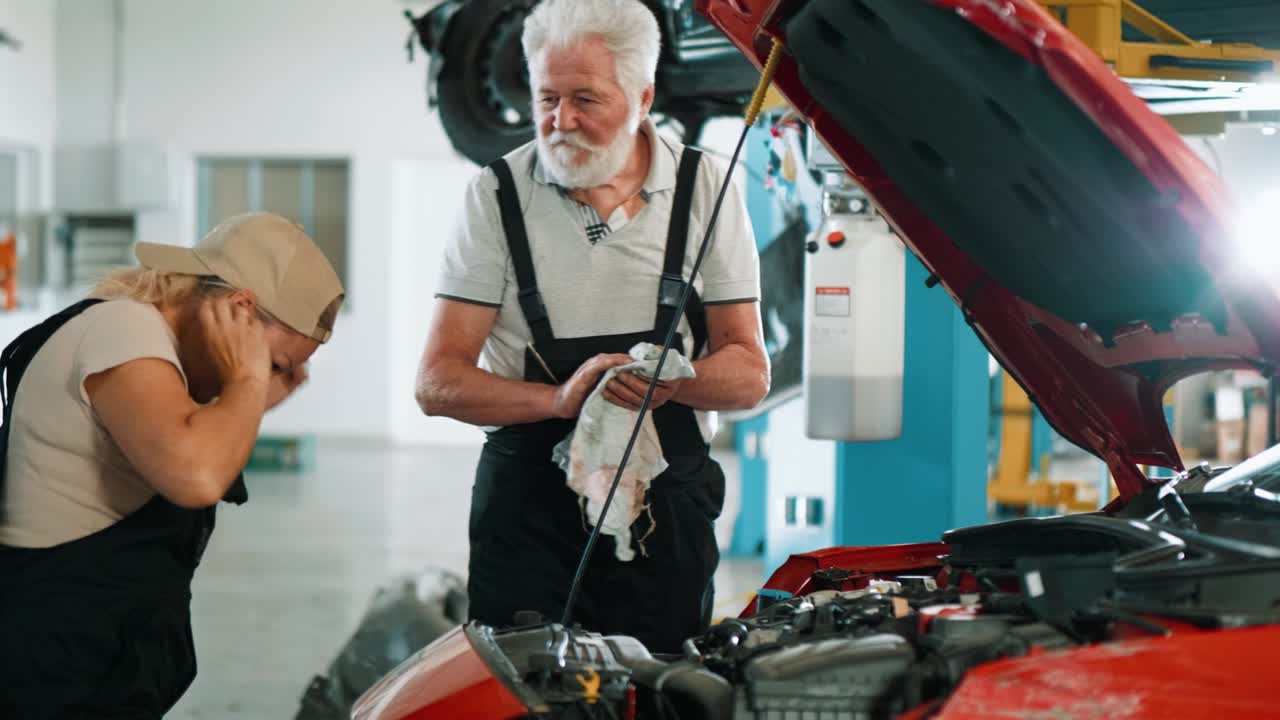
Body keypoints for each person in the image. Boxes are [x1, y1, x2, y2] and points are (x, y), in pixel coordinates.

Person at [415, 0, 769, 653]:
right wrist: (554, 400)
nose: (561, 122)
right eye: (546, 97)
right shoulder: (494, 197)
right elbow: (437, 383)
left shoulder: (706, 188)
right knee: (524, 689)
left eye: (587, 100)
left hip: (667, 510)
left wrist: (679, 383)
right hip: (526, 514)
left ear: (644, 96)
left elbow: (748, 374)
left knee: (662, 685)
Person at [0, 212, 345, 719]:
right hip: (50, 670)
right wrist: (246, 384)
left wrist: (251, 394)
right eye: (275, 363)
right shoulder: (124, 328)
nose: (276, 377)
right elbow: (196, 477)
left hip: (90, 663)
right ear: (240, 310)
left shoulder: (153, 347)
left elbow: (186, 438)